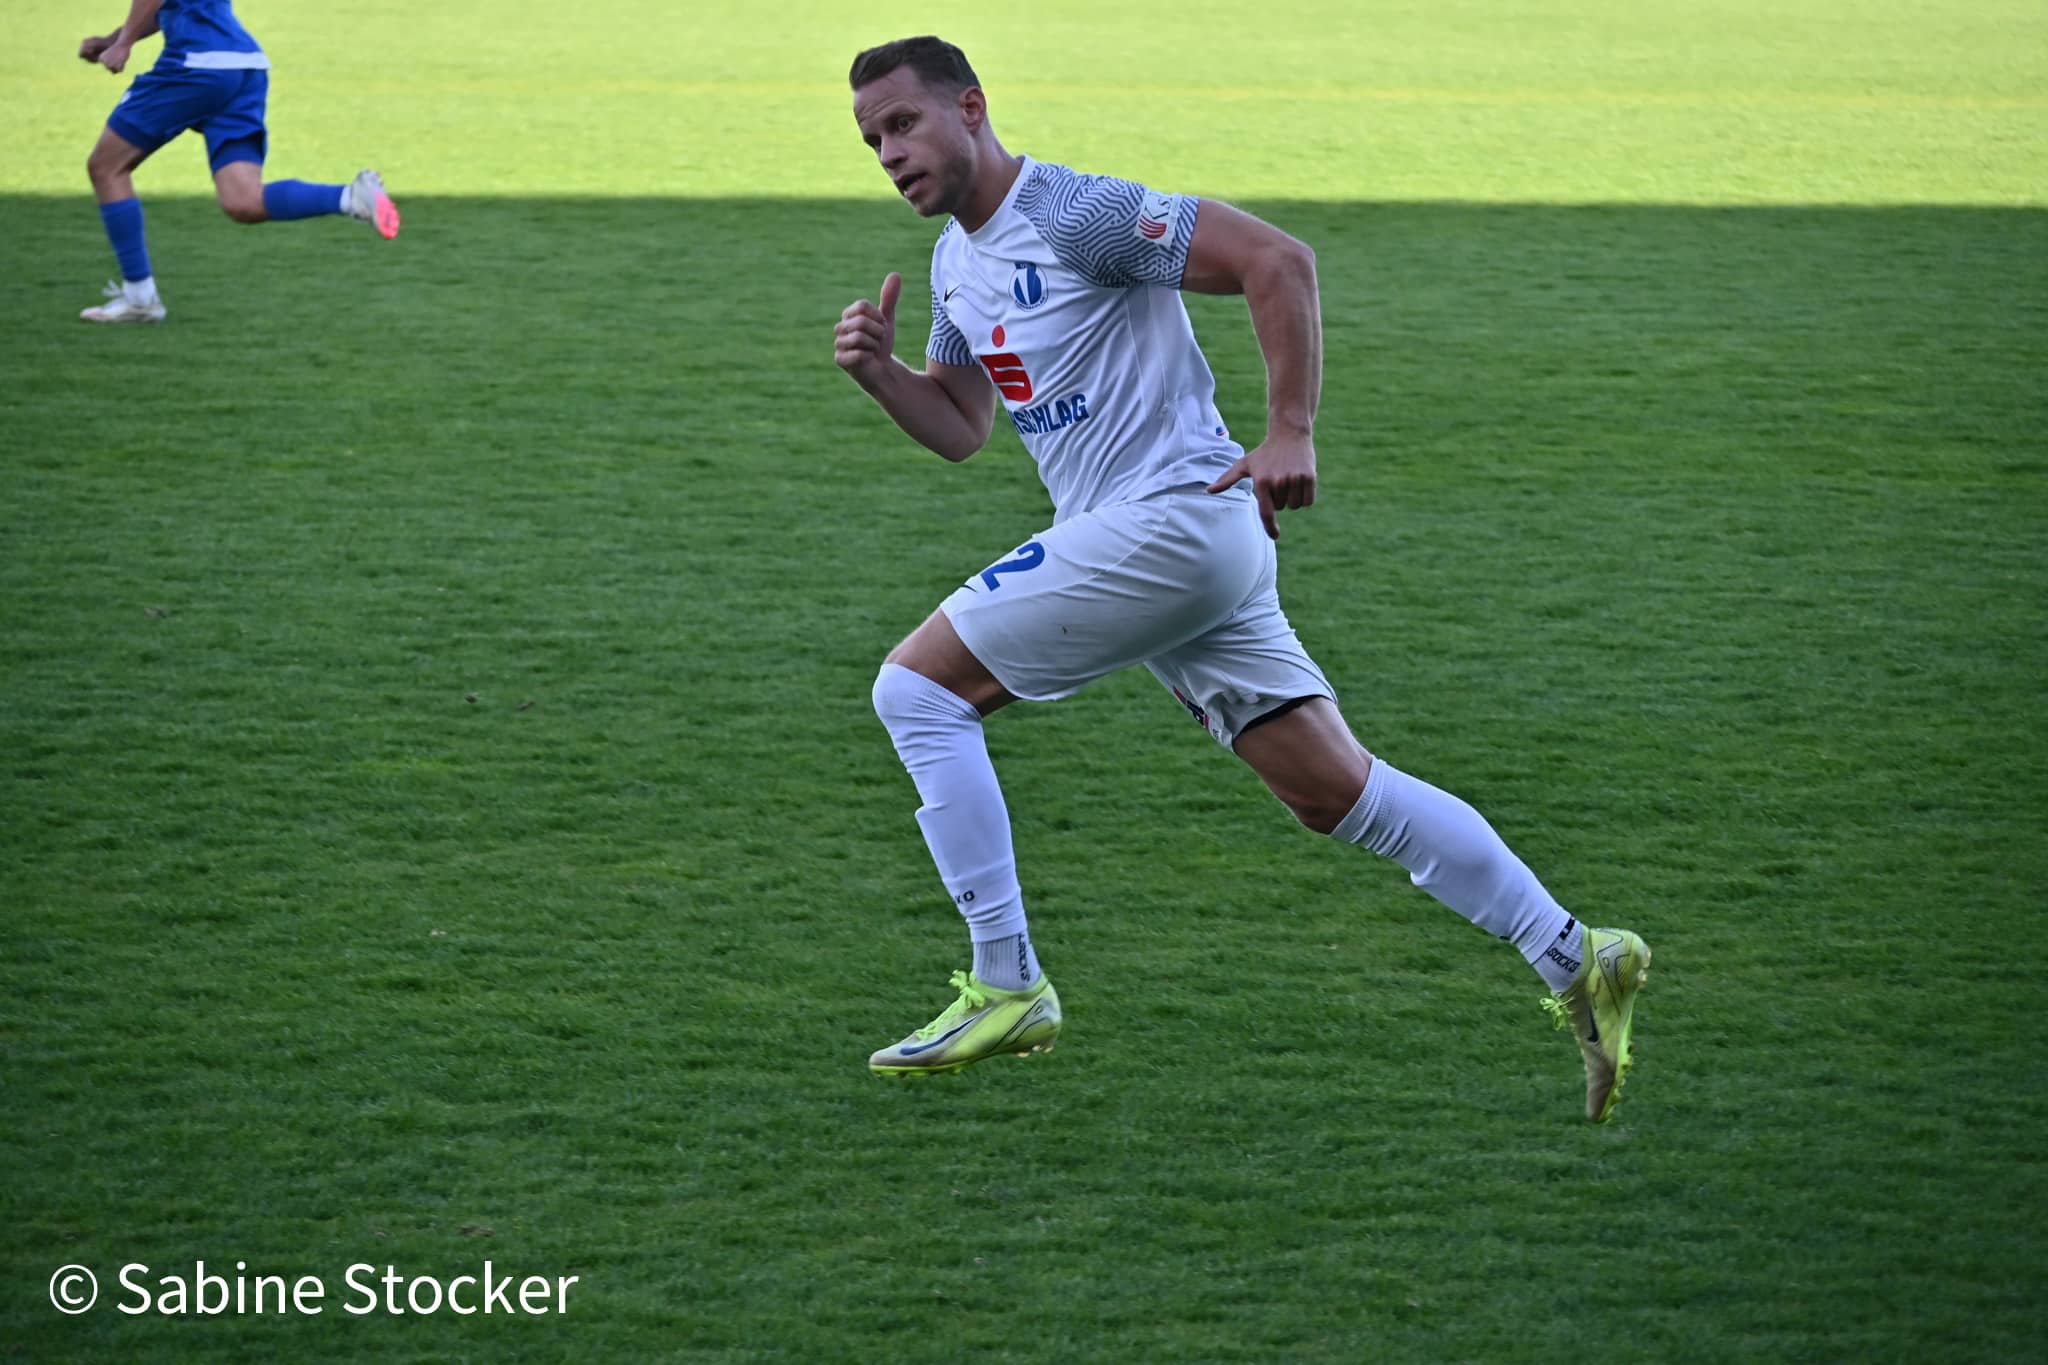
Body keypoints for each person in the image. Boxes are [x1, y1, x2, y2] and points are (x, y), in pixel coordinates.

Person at [834, 36, 1652, 1122]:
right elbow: (961, 424)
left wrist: (1290, 430)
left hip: (1173, 520)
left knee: (915, 690)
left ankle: (1007, 980)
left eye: (903, 124)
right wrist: (883, 376)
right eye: (871, 141)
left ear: (971, 108)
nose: (890, 153)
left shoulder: (1073, 213)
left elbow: (1278, 259)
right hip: (1166, 545)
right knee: (1332, 792)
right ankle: (1575, 952)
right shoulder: (953, 266)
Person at [75, 0, 400, 324]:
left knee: (106, 167)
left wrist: (124, 44)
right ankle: (351, 198)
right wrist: (114, 39)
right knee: (243, 201)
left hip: (196, 65)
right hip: (243, 66)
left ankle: (139, 298)